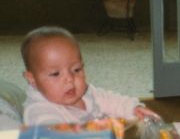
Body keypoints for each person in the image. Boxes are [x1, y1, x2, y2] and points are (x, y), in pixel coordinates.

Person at [21, 25, 158, 125]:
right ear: (32, 79)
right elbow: (52, 137)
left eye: (76, 69)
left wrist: (133, 109)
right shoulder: (40, 111)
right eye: (55, 74)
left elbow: (110, 100)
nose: (70, 79)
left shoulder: (86, 92)